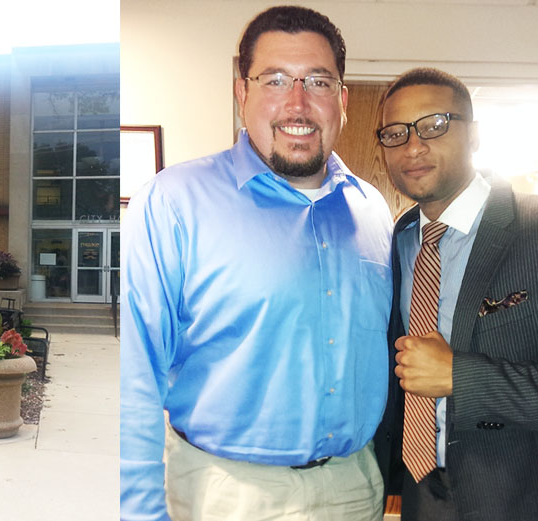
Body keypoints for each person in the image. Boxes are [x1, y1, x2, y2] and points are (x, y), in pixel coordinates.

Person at [120, 6, 394, 520]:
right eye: (274, 80)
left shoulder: (372, 209)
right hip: (225, 493)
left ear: (342, 99)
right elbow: (134, 376)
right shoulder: (174, 202)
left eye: (318, 80)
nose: (297, 102)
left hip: (355, 485)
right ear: (241, 93)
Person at [372, 67, 538, 521]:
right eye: (395, 133)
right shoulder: (401, 238)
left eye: (435, 125)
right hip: (423, 498)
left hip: (529, 505)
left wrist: (462, 377)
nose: (414, 146)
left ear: (475, 135)